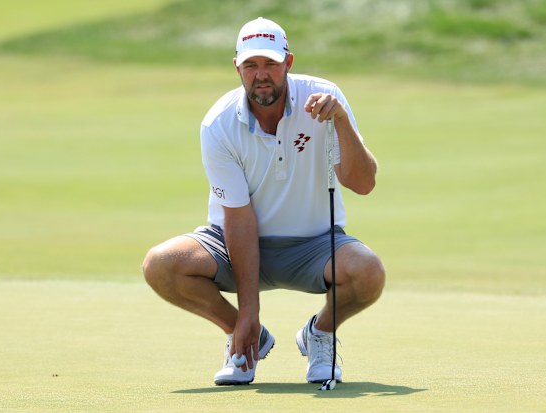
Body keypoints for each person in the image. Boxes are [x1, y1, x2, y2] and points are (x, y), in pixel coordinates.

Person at [142, 17, 385, 386]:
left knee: (369, 272)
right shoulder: (218, 124)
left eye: (270, 64)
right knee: (161, 265)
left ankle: (319, 333)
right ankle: (245, 337)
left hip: (314, 245)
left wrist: (340, 122)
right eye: (251, 65)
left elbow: (363, 183)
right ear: (237, 68)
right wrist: (247, 312)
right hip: (232, 242)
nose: (261, 75)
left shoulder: (324, 97)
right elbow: (239, 218)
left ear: (288, 63)